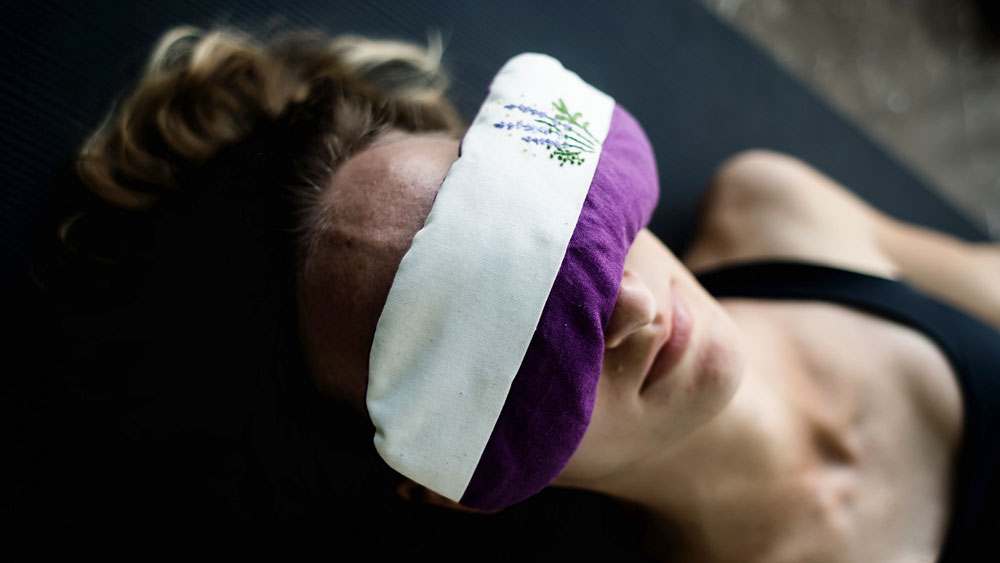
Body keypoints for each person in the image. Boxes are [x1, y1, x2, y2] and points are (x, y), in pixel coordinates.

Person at [22, 24, 999, 560]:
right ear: (446, 487)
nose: (630, 308)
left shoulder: (785, 211)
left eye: (562, 219)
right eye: (499, 340)